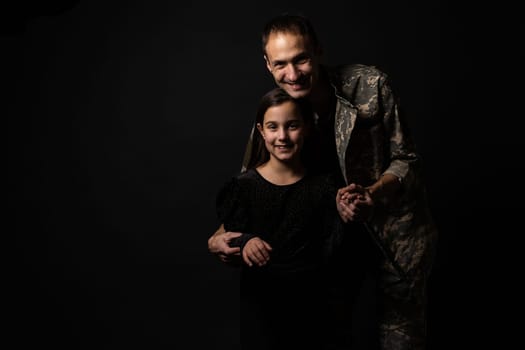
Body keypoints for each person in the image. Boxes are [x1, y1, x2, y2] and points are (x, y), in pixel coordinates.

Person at [208, 13, 439, 350]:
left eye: (301, 59)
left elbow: (407, 159)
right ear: (267, 64)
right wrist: (219, 237)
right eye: (281, 64)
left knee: (399, 341)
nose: (293, 74)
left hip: (392, 241)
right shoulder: (277, 115)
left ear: (317, 50)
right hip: (330, 257)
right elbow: (250, 188)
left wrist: (372, 194)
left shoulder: (370, 85)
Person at [215, 87, 345, 350]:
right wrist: (244, 242)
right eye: (273, 127)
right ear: (261, 132)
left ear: (306, 128)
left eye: (292, 126)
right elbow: (228, 238)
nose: (282, 136)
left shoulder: (325, 187)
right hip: (262, 312)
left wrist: (349, 211)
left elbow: (334, 251)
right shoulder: (243, 188)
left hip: (315, 312)